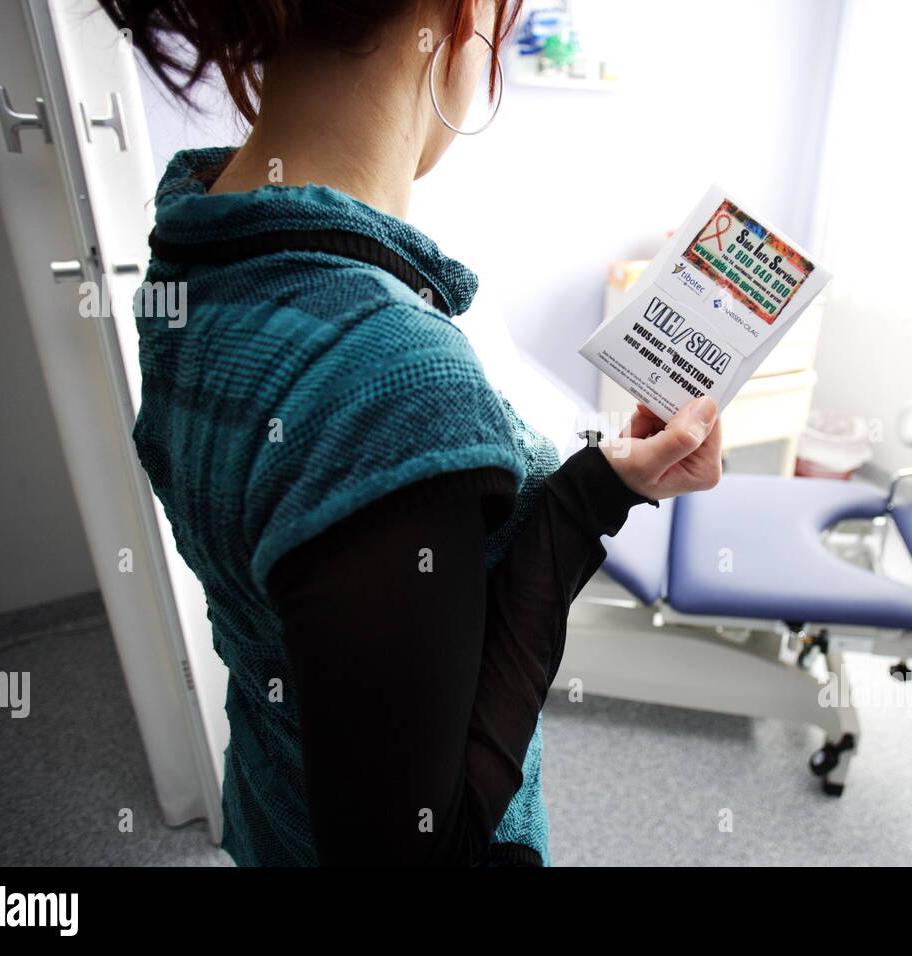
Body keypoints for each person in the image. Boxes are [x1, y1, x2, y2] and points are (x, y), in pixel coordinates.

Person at [105, 0, 723, 866]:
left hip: (272, 807)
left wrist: (600, 482)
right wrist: (581, 509)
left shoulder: (198, 242)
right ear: (464, 15)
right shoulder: (388, 373)